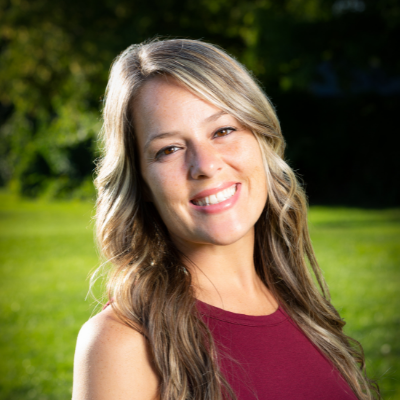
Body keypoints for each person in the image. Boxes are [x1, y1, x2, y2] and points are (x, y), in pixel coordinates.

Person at [72, 38, 379, 400]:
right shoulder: (123, 342)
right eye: (169, 149)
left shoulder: (301, 307)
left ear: (261, 139)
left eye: (223, 131)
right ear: (141, 182)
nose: (205, 165)